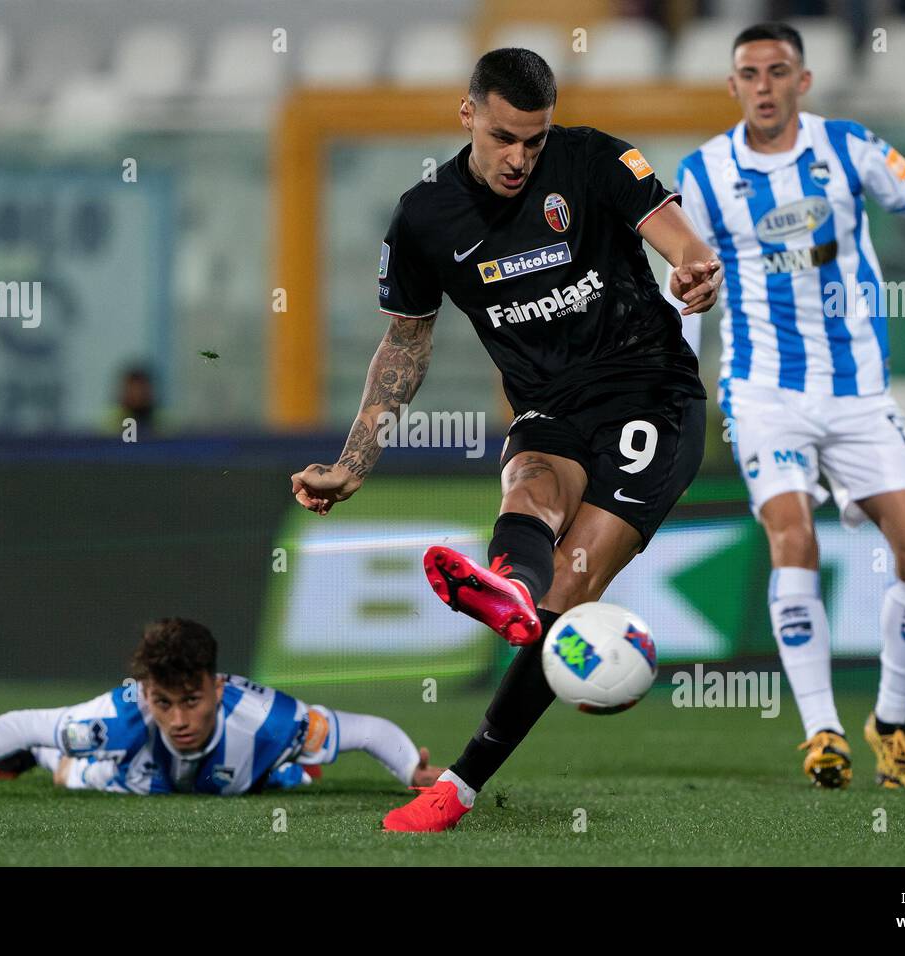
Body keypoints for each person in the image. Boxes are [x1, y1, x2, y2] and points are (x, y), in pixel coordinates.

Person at [291, 48, 721, 831]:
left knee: (570, 590)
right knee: (527, 485)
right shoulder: (425, 217)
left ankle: (458, 786)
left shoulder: (594, 159)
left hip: (650, 398)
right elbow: (405, 345)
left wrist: (696, 269)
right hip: (549, 407)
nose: (520, 157)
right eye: (503, 138)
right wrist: (355, 463)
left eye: (534, 139)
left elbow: (679, 239)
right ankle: (509, 595)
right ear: (467, 117)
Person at [674, 22, 905, 790]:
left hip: (858, 395)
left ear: (803, 81)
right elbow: (685, 285)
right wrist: (678, 375)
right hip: (764, 390)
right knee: (791, 531)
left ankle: (890, 723)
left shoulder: (851, 148)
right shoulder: (705, 173)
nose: (765, 85)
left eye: (779, 71)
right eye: (750, 72)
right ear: (733, 85)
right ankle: (821, 731)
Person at [0, 618, 442, 796]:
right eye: (163, 702)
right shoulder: (121, 719)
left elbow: (364, 730)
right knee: (69, 769)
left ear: (218, 688)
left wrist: (411, 771)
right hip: (128, 773)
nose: (177, 720)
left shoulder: (269, 718)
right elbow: (25, 720)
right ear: (146, 695)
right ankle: (25, 761)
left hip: (243, 769)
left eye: (192, 701)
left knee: (292, 775)